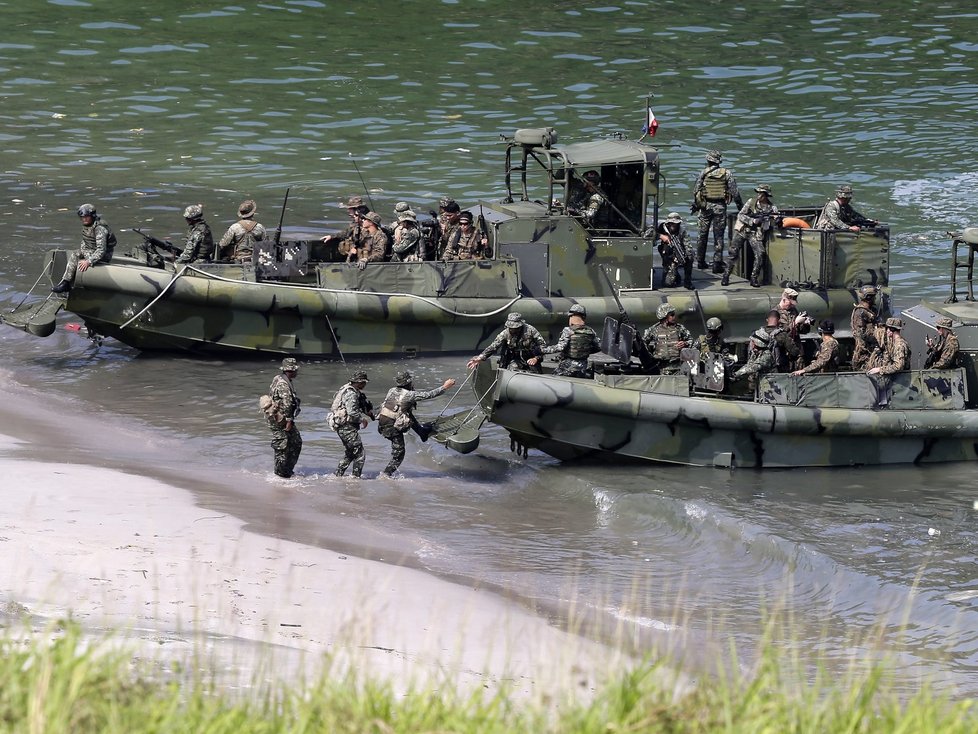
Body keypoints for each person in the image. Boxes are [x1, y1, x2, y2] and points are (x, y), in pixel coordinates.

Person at [377, 371, 456, 477]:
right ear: (409, 383)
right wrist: (445, 387)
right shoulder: (410, 394)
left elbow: (401, 409)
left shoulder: (392, 390)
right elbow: (429, 395)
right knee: (399, 454)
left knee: (406, 413)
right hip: (392, 428)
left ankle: (421, 432)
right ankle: (386, 475)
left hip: (382, 424)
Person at [691, 150, 742, 273]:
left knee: (702, 236)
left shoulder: (703, 173)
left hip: (705, 207)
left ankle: (700, 262)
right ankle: (717, 264)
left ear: (708, 160)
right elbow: (735, 193)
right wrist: (741, 208)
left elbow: (696, 190)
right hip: (720, 207)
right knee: (718, 237)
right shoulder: (727, 173)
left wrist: (697, 205)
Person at [51, 203, 118, 293]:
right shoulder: (88, 226)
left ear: (92, 216)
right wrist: (83, 250)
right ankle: (65, 282)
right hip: (91, 249)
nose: (84, 219)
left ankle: (68, 282)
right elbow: (86, 241)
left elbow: (101, 250)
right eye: (82, 217)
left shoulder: (99, 229)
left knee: (79, 257)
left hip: (104, 255)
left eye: (87, 216)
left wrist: (88, 261)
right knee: (75, 254)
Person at [329, 370, 374, 478]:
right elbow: (352, 412)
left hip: (342, 426)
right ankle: (355, 478)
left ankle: (337, 475)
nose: (365, 385)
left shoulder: (349, 389)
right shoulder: (351, 393)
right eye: (364, 383)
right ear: (359, 382)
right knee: (360, 454)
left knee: (350, 453)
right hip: (347, 427)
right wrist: (362, 419)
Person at [466, 312, 547, 372]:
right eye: (511, 328)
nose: (513, 330)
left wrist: (536, 358)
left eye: (516, 328)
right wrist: (480, 358)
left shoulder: (530, 330)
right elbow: (493, 346)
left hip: (531, 357)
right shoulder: (505, 333)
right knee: (512, 368)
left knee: (535, 370)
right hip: (516, 359)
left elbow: (542, 345)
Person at [734, 184, 779, 287]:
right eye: (758, 193)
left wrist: (778, 220)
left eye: (761, 193)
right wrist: (753, 220)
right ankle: (726, 275)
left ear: (766, 195)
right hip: (744, 230)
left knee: (760, 253)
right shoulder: (751, 202)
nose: (759, 195)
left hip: (757, 235)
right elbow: (740, 215)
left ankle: (753, 278)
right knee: (733, 252)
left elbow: (776, 217)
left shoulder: (771, 207)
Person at [540, 304, 601, 378]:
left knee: (551, 379)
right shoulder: (591, 331)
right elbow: (598, 347)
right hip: (583, 368)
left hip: (568, 367)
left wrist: (542, 350)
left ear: (572, 316)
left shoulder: (568, 330)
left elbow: (560, 348)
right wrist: (584, 351)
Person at [265, 357, 302, 479]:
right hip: (280, 419)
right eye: (295, 370)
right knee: (282, 445)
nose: (297, 372)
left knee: (295, 442)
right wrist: (289, 421)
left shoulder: (279, 378)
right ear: (291, 371)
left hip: (278, 416)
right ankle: (280, 475)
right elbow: (287, 404)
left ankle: (286, 470)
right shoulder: (284, 384)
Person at [642, 303, 692, 375]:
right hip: (661, 368)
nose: (674, 316)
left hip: (677, 367)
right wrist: (650, 356)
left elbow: (691, 341)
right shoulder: (654, 329)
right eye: (672, 315)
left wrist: (685, 343)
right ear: (664, 316)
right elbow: (643, 343)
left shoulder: (680, 328)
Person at [217, 199, 266, 264]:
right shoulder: (260, 227)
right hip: (255, 259)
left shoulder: (234, 227)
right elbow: (265, 245)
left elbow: (223, 244)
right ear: (253, 213)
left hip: (238, 259)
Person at [322, 196, 369, 260]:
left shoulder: (368, 223)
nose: (348, 210)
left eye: (350, 209)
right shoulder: (356, 222)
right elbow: (347, 232)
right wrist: (332, 236)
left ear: (357, 210)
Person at [657, 212, 694, 289]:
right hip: (668, 255)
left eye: (675, 224)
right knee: (668, 284)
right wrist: (661, 236)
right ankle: (674, 273)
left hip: (679, 254)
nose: (673, 225)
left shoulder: (682, 231)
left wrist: (687, 254)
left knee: (690, 256)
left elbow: (688, 246)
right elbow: (648, 233)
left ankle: (687, 281)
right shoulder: (662, 227)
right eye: (671, 223)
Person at [850, 285, 880, 370]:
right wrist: (873, 343)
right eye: (874, 296)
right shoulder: (860, 312)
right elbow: (860, 334)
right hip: (865, 352)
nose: (875, 299)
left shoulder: (870, 310)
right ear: (869, 297)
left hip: (871, 349)